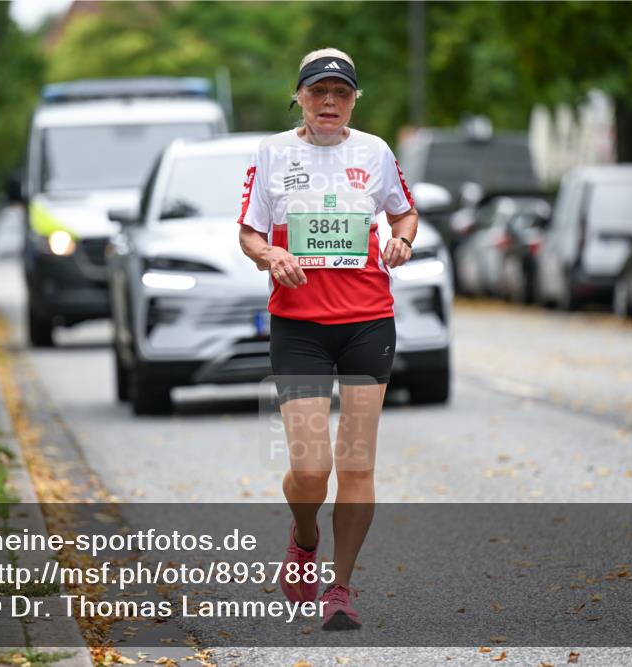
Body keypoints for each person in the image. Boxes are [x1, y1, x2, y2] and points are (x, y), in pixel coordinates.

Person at [237, 48, 417, 631]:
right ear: (301, 96)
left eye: (341, 93)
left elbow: (403, 214)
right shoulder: (272, 153)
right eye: (319, 92)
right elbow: (249, 233)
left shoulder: (377, 152)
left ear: (355, 100)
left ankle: (340, 587)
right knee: (311, 469)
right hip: (301, 326)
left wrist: (402, 242)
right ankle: (305, 537)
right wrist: (273, 254)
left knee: (357, 463)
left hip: (368, 319)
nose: (331, 103)